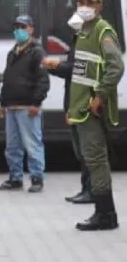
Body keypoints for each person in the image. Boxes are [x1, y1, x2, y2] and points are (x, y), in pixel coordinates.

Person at [59, 0, 123, 231]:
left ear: (100, 6)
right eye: (81, 1)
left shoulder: (102, 31)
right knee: (93, 159)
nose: (84, 6)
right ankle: (104, 212)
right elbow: (80, 75)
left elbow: (116, 67)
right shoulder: (83, 32)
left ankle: (105, 214)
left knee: (96, 161)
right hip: (82, 108)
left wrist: (99, 95)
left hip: (93, 110)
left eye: (90, 2)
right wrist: (72, 108)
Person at [0, 15, 49, 194]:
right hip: (11, 107)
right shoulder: (13, 52)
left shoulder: (36, 52)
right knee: (12, 146)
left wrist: (36, 102)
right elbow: (7, 79)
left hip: (28, 108)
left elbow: (43, 80)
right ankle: (15, 178)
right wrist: (2, 103)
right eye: (16, 26)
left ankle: (36, 178)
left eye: (23, 27)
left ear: (31, 30)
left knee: (32, 144)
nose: (19, 30)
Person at [43, 14, 92, 205]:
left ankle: (92, 191)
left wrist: (56, 66)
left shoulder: (88, 43)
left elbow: (79, 69)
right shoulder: (78, 41)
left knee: (87, 151)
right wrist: (54, 68)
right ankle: (85, 188)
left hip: (83, 102)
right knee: (80, 151)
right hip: (74, 101)